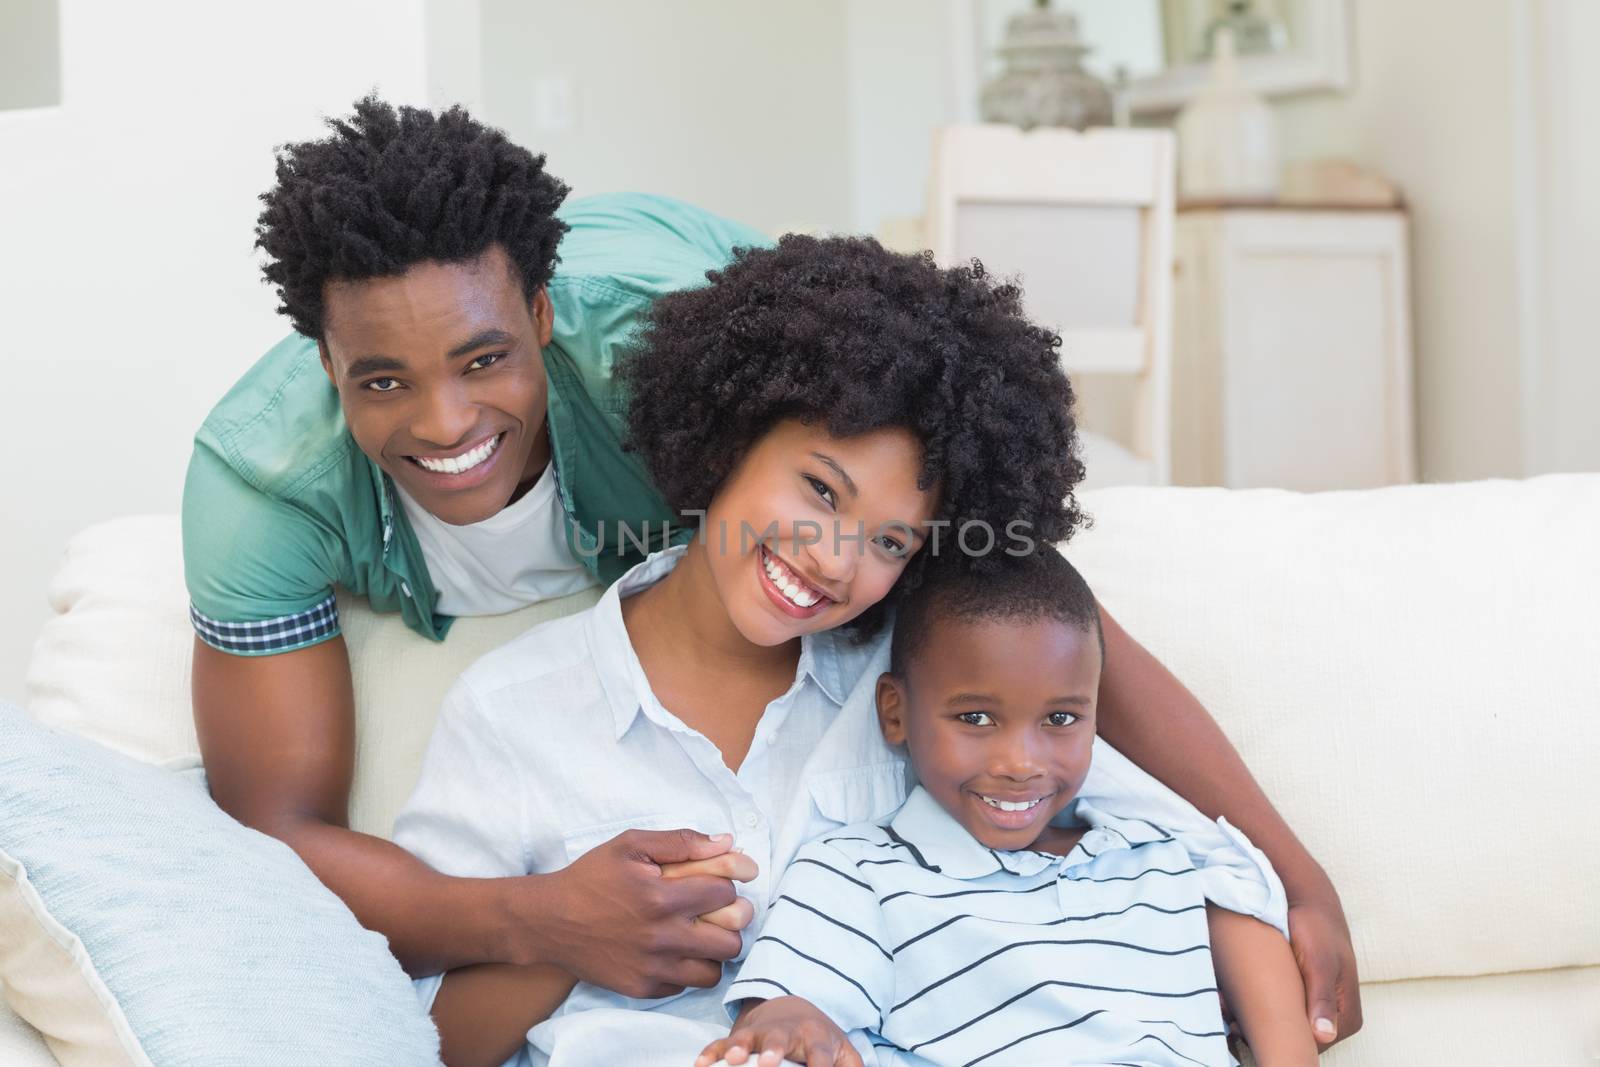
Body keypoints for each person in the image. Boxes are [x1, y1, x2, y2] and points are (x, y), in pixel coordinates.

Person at [187, 97, 1359, 1048]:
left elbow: (1038, 623)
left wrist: (1293, 874)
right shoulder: (285, 502)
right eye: (385, 378)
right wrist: (545, 924)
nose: (446, 418)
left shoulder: (907, 678)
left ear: (541, 322)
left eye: (892, 540)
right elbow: (305, 871)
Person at [393, 236, 1308, 1067]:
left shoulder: (928, 688)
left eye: (890, 542)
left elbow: (1175, 845)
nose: (833, 560)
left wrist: (1305, 895)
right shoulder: (515, 708)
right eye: (820, 492)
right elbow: (411, 1039)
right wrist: (562, 935)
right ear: (730, 435)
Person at [699, 549, 1321, 1067]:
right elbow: (792, 1002)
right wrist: (784, 1023)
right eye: (975, 718)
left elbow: (1243, 909)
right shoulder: (858, 871)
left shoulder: (1155, 854)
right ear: (895, 713)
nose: (1021, 762)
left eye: (1060, 718)